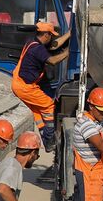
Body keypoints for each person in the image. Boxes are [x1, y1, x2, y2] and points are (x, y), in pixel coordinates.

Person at [11, 21, 71, 151]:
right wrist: (68, 53)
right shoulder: (37, 49)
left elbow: (54, 46)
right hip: (25, 87)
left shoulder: (33, 41)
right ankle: (49, 140)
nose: (52, 37)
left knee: (38, 113)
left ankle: (46, 140)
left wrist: (69, 34)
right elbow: (53, 61)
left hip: (20, 84)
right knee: (49, 105)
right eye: (51, 35)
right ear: (45, 34)